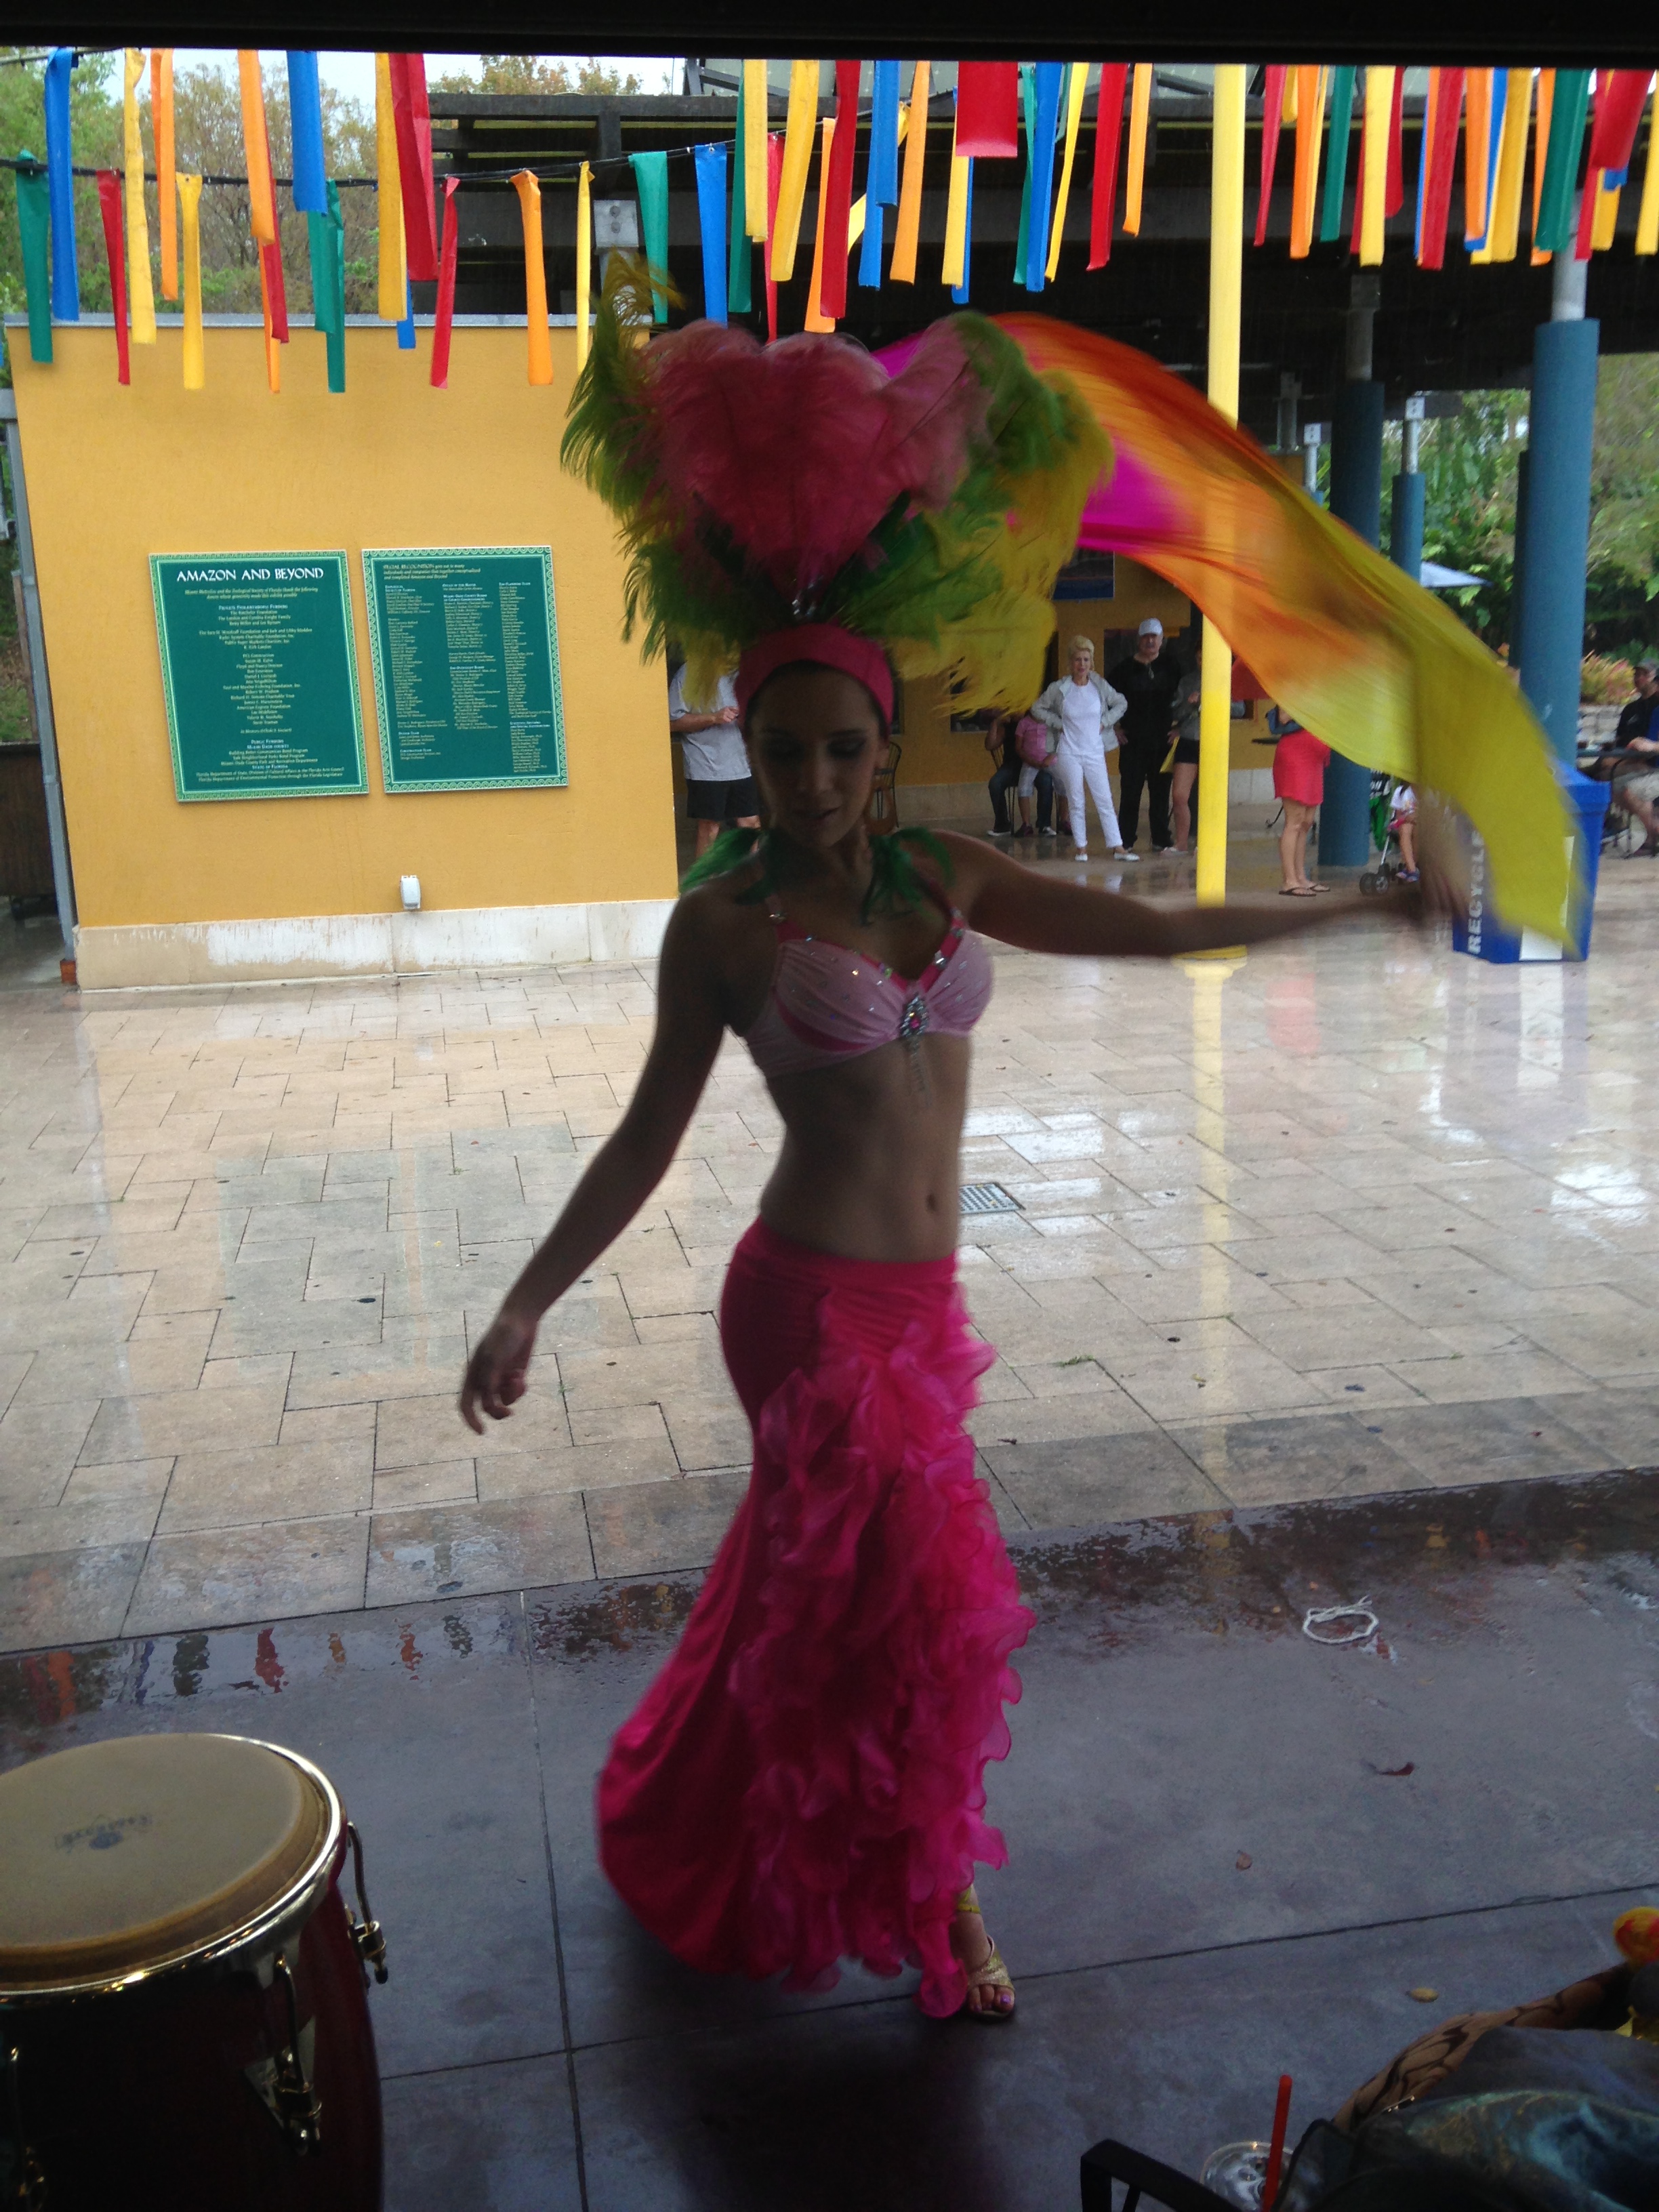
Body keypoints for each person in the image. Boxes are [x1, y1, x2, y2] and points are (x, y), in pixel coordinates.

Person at [463, 259, 1443, 2028]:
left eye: (840, 748)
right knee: (905, 1611)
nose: (813, 781)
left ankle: (703, 1797)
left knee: (814, 1591)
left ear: (883, 736)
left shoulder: (948, 877)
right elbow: (642, 1140)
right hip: (808, 1313)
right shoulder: (728, 926)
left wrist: (1359, 907)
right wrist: (528, 1303)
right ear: (742, 746)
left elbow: (1153, 935)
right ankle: (942, 1919)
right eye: (780, 751)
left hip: (924, 1307)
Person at [1033, 636, 1133, 860]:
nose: (1082, 664)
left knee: (1104, 798)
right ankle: (1081, 847)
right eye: (1078, 659)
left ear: (1091, 662)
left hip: (1094, 750)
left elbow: (1121, 703)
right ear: (1071, 662)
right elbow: (1037, 708)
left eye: (1086, 660)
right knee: (1075, 798)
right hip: (1069, 750)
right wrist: (1058, 724)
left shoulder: (1098, 685)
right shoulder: (1060, 688)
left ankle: (1117, 846)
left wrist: (1105, 722)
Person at [1107, 617, 1184, 851]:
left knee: (1160, 794)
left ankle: (1161, 838)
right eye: (1146, 637)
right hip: (1133, 742)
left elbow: (1188, 701)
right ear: (1138, 640)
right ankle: (1126, 841)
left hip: (1163, 741)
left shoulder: (1173, 667)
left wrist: (1180, 727)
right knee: (1130, 793)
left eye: (1154, 637)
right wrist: (1115, 728)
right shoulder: (1123, 670)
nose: (1150, 641)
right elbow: (1103, 701)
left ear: (1162, 640)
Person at [668, 665, 760, 857]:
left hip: (742, 763)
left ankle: (753, 877)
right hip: (706, 765)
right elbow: (672, 723)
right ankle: (703, 883)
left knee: (751, 823)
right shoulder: (691, 673)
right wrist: (713, 717)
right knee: (710, 827)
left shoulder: (744, 670)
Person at [1268, 703, 1333, 895]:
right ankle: (1290, 881)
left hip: (1314, 760)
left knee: (1306, 822)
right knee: (1294, 822)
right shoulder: (1293, 686)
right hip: (1296, 757)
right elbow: (1284, 717)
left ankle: (1301, 877)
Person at [1612, 661, 1659, 855]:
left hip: (1650, 769)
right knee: (1614, 784)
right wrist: (1642, 743)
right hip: (1650, 766)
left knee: (1632, 789)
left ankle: (1653, 836)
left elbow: (1653, 745)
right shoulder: (1654, 712)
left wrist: (1652, 746)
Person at [1166, 666, 1204, 854]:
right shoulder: (1188, 681)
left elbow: (1239, 708)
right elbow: (1175, 712)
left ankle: (1204, 842)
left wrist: (1212, 701)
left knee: (1207, 796)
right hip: (1188, 739)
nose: (1202, 662)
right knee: (1180, 795)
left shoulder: (1226, 677)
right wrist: (1189, 704)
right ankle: (1181, 843)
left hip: (1212, 741)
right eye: (1198, 659)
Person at [1010, 706, 1058, 837]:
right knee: (1023, 789)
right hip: (1030, 763)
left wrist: (1051, 757)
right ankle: (1026, 824)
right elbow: (1018, 748)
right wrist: (1031, 762)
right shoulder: (1023, 723)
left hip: (1051, 761)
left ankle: (1064, 821)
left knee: (1064, 786)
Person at [1389, 783, 1420, 882]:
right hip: (1406, 822)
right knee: (1405, 829)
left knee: (1418, 831)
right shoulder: (1401, 792)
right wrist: (1407, 819)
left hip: (1422, 823)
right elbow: (1398, 816)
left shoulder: (1430, 794)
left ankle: (1409, 868)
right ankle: (1412, 869)